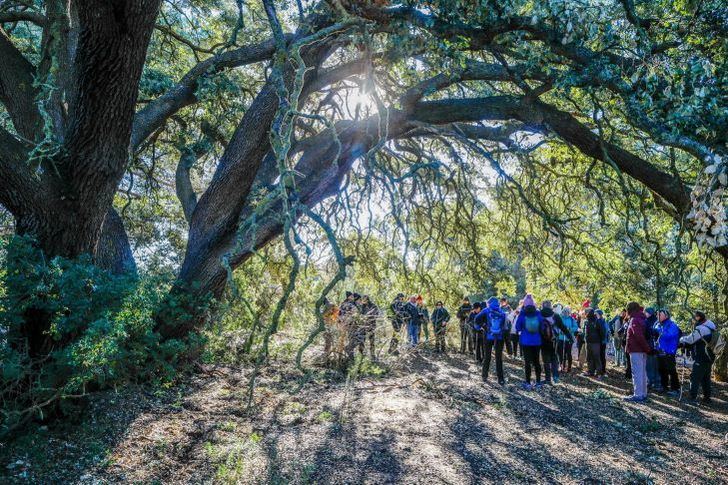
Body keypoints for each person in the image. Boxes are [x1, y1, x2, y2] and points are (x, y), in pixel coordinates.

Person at [679, 311, 718, 404]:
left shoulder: (701, 329)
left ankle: (692, 397)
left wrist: (681, 339)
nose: (693, 319)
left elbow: (690, 339)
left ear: (698, 317)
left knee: (694, 377)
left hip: (701, 356)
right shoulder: (711, 325)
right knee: (705, 377)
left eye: (695, 317)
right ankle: (707, 398)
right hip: (710, 356)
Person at [515, 294, 543, 389]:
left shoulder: (522, 314)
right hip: (537, 341)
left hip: (526, 341)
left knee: (527, 362)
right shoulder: (538, 313)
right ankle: (538, 382)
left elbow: (517, 327)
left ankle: (527, 383)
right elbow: (542, 327)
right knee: (536, 362)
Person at [624, 302, 650, 402]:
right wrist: (647, 348)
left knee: (637, 372)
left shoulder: (634, 319)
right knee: (642, 372)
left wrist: (647, 348)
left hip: (636, 349)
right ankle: (643, 393)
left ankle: (638, 394)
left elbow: (638, 336)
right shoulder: (642, 318)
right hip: (642, 350)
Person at [542, 302, 573, 383]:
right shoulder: (555, 315)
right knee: (554, 358)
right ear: (551, 306)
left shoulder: (540, 315)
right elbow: (563, 327)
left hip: (543, 340)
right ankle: (555, 377)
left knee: (546, 361)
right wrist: (570, 337)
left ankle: (548, 379)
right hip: (554, 340)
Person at [655, 309, 680, 396]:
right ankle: (664, 386)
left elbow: (669, 335)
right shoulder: (657, 324)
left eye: (660, 315)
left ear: (666, 316)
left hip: (669, 351)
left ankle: (675, 389)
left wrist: (657, 332)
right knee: (662, 370)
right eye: (657, 315)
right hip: (659, 350)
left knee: (671, 370)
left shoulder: (672, 325)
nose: (658, 316)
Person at [482, 297, 506, 384]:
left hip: (488, 336)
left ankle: (484, 376)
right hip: (499, 337)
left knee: (487, 356)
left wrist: (483, 327)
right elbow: (505, 326)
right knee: (498, 358)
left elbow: (477, 320)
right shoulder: (502, 312)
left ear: (489, 303)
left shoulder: (486, 310)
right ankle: (500, 379)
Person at [583, 308, 605, 378]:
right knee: (589, 357)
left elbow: (602, 332)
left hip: (596, 342)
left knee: (596, 357)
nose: (586, 314)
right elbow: (585, 332)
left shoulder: (597, 321)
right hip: (588, 342)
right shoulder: (586, 322)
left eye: (587, 312)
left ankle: (599, 372)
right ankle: (591, 371)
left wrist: (600, 340)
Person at [556, 306, 577, 373]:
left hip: (568, 339)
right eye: (564, 312)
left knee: (568, 353)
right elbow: (556, 326)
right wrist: (560, 330)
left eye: (567, 312)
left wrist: (569, 329)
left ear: (569, 312)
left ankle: (569, 367)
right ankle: (562, 366)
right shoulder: (560, 318)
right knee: (561, 353)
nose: (565, 313)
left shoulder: (572, 319)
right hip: (561, 338)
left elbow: (575, 327)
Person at [644, 307, 661, 390]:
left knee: (653, 365)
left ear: (649, 313)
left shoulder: (655, 322)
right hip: (651, 346)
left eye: (646, 312)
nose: (644, 313)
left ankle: (655, 382)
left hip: (653, 346)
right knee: (651, 365)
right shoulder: (648, 321)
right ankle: (651, 382)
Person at [358, 295, 379, 360]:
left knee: (372, 340)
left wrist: (369, 317)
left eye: (364, 300)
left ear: (367, 300)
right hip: (363, 325)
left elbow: (376, 314)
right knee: (361, 340)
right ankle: (361, 354)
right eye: (362, 300)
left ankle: (372, 355)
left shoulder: (373, 306)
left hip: (371, 325)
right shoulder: (361, 306)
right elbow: (359, 315)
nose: (363, 301)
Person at [596, 309, 610, 375]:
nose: (595, 315)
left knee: (601, 356)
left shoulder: (602, 322)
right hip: (601, 341)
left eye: (596, 314)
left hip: (601, 341)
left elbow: (606, 332)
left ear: (599, 314)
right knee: (601, 355)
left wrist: (605, 340)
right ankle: (601, 369)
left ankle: (602, 370)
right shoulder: (603, 321)